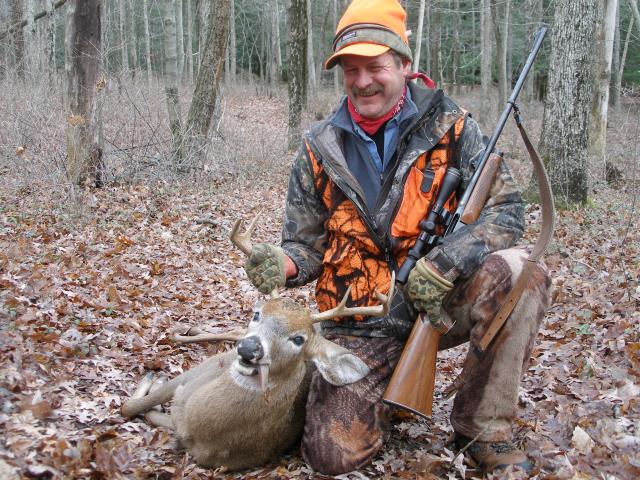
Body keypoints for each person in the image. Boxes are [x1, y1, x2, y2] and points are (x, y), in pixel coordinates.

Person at [243, 0, 551, 475]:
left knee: (520, 272)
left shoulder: (455, 128)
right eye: (351, 69)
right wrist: (282, 264)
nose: (363, 80)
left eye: (376, 66)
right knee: (332, 458)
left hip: (438, 303)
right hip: (358, 323)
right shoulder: (318, 146)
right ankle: (380, 395)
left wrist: (446, 263)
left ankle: (482, 430)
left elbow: (507, 212)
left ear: (405, 65)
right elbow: (305, 245)